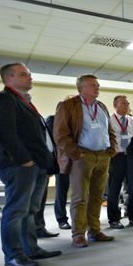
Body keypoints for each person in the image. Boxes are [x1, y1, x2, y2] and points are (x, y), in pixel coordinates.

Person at [0, 63, 61, 266]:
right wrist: (24, 160)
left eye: (29, 74)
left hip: (36, 165)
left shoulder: (25, 102)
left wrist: (46, 165)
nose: (30, 77)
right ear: (8, 79)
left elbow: (38, 137)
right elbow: (4, 133)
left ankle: (31, 249)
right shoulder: (1, 99)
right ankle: (14, 255)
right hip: (18, 165)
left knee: (31, 210)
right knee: (16, 210)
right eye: (23, 74)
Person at [53, 74, 117, 248]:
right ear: (81, 88)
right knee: (80, 197)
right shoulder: (68, 105)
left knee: (97, 197)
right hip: (82, 157)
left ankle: (94, 231)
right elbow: (60, 134)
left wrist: (112, 149)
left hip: (103, 156)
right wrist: (76, 154)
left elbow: (108, 130)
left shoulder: (101, 106)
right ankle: (78, 234)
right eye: (93, 85)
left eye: (97, 85)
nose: (97, 87)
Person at [107, 95, 133, 229]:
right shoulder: (109, 120)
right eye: (124, 103)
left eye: (128, 103)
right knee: (114, 190)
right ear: (115, 105)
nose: (127, 105)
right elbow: (105, 139)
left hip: (131, 157)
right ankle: (114, 219)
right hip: (117, 157)